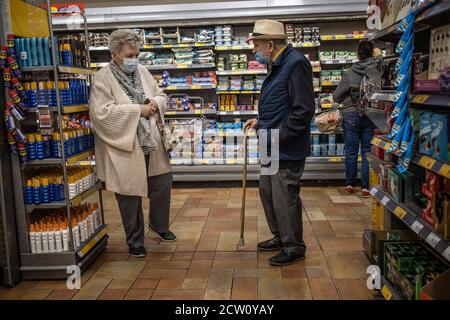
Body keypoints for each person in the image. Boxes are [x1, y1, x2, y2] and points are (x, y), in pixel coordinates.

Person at [89, 29, 176, 258]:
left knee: (162, 183)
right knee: (128, 195)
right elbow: (101, 113)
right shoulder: (102, 78)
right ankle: (135, 240)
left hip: (152, 143)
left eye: (137, 54)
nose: (134, 59)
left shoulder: (143, 71)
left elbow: (161, 95)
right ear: (115, 53)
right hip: (125, 146)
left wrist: (155, 103)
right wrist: (139, 110)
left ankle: (159, 225)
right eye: (129, 54)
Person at [244, 20, 315, 266]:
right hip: (270, 143)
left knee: (285, 197)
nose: (254, 50)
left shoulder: (295, 63)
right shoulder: (278, 63)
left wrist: (277, 136)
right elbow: (280, 103)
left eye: (257, 45)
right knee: (268, 193)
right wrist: (260, 121)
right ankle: (280, 237)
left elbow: (303, 111)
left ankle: (293, 246)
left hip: (285, 146)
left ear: (271, 44)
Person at [332, 40, 381, 198]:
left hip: (351, 114)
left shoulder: (350, 72)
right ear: (373, 52)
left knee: (351, 152)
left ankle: (350, 184)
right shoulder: (379, 70)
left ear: (358, 54)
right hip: (372, 114)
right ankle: (366, 187)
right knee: (367, 152)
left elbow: (336, 97)